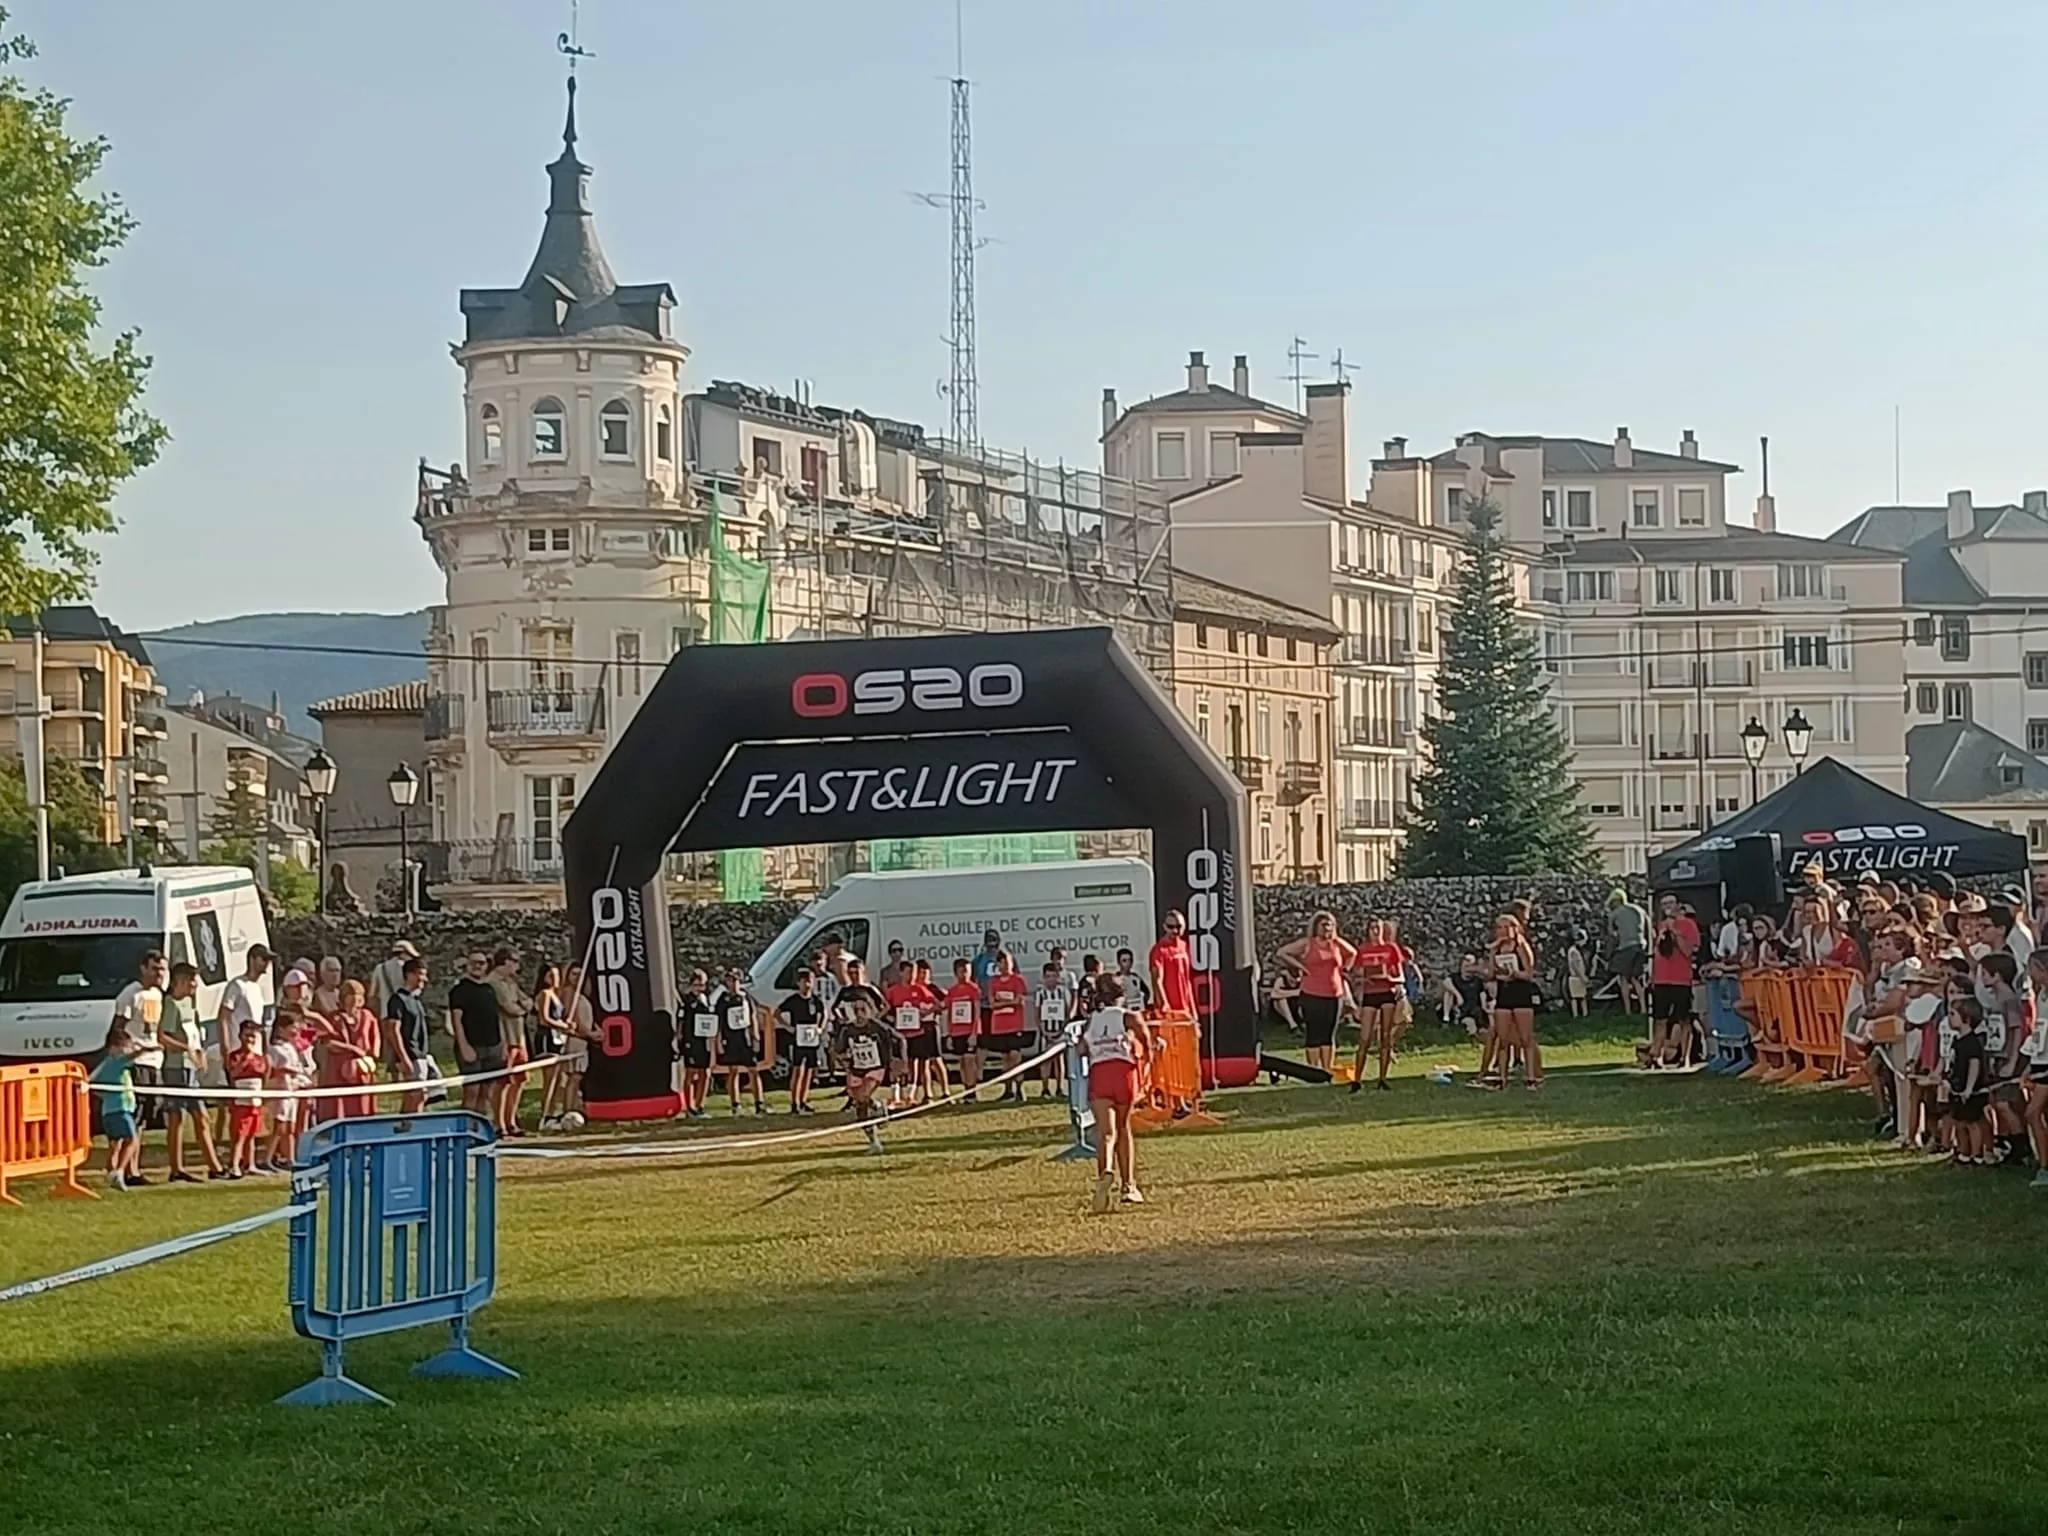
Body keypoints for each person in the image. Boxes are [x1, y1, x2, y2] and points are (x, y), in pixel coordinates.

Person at [1081, 975, 1147, 1213]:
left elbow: (1081, 1049)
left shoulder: (1092, 1020)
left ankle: (1105, 1172)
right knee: (1123, 1128)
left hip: (1100, 1075)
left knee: (1106, 1133)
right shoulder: (1128, 1016)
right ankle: (1129, 1185)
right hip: (1124, 1075)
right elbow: (1146, 1041)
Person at [158, 961, 224, 1182]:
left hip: (191, 1067)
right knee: (178, 1117)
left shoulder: (190, 1003)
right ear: (180, 981)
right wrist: (186, 1049)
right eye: (191, 979)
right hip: (176, 1067)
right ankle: (177, 1168)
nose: (195, 984)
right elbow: (163, 1036)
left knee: (200, 1116)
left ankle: (214, 1166)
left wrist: (200, 1053)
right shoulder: (170, 1004)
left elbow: (196, 1032)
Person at [1274, 911, 1353, 1076]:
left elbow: (1353, 953)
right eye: (1324, 925)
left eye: (1330, 925)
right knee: (1314, 1032)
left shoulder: (1336, 943)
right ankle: (1314, 1069)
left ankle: (1327, 1069)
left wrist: (1345, 969)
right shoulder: (1308, 943)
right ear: (1316, 926)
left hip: (1334, 993)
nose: (1327, 928)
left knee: (1329, 1032)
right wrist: (1300, 966)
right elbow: (1282, 952)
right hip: (1312, 993)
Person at [1480, 913, 1541, 1090]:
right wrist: (1492, 955)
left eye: (1508, 927)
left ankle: (1531, 1078)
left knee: (1525, 1038)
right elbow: (1490, 974)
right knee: (1503, 1039)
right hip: (1504, 994)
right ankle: (1502, 1078)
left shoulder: (1521, 946)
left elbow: (1529, 974)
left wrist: (1514, 974)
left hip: (1521, 994)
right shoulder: (1497, 949)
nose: (1504, 931)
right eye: (1500, 928)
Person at [1347, 919, 1409, 1093]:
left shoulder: (1391, 949)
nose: (1375, 931)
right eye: (1372, 928)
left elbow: (1400, 977)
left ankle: (1383, 1078)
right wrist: (1363, 979)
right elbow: (1356, 976)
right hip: (1369, 995)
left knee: (1385, 1037)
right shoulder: (1363, 950)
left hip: (1386, 993)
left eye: (1378, 928)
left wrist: (1387, 978)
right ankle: (1357, 1080)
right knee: (1364, 1038)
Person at [831, 990, 897, 1152]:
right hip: (856, 1070)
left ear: (870, 1011)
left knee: (862, 1095)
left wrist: (896, 1063)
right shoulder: (847, 1030)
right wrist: (844, 1062)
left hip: (875, 1068)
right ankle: (874, 1138)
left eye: (863, 1010)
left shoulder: (878, 1027)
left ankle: (875, 1105)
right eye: (856, 1011)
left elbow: (899, 1040)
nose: (859, 1014)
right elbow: (838, 1050)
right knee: (860, 1105)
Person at [112, 950, 167, 1135]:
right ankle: (122, 1162)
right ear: (143, 969)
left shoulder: (158, 995)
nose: (159, 973)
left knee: (147, 1116)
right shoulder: (130, 993)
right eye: (154, 969)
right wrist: (128, 1052)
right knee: (135, 1113)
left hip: (154, 1061)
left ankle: (133, 1163)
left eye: (162, 969)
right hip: (136, 1062)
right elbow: (118, 1027)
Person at [448, 951, 507, 1116]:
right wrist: (464, 1046)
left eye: (482, 963)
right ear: (467, 965)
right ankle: (466, 1130)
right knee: (471, 1091)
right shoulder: (459, 990)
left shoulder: (489, 989)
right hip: (472, 1046)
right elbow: (456, 1020)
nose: (478, 966)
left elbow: (497, 1018)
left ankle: (481, 1128)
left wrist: (503, 1044)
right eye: (474, 962)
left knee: (487, 1092)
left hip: (493, 1046)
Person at [1647, 892, 1701, 1068]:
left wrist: (1675, 932)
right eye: (1664, 904)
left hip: (1681, 979)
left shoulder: (1688, 925)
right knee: (1660, 1019)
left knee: (1683, 1020)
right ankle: (1657, 1055)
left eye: (1670, 903)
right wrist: (1652, 975)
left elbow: (1688, 951)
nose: (1667, 907)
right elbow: (1658, 952)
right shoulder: (1661, 925)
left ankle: (1684, 1056)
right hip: (1662, 979)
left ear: (1678, 905)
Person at [318, 979, 381, 1121]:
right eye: (351, 994)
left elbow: (375, 1036)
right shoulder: (335, 1018)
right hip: (338, 1068)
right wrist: (352, 1049)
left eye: (359, 994)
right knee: (339, 1104)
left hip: (362, 1068)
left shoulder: (367, 1016)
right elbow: (329, 1042)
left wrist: (373, 1053)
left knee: (362, 1104)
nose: (355, 998)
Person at [90, 1022, 144, 1189]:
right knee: (133, 1140)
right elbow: (134, 1055)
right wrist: (147, 1049)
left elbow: (91, 1082)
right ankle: (119, 1171)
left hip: (109, 1111)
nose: (126, 1050)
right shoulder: (116, 1062)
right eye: (124, 1047)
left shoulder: (104, 1065)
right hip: (120, 1110)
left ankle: (111, 1173)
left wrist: (106, 1096)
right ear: (114, 1047)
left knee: (116, 1144)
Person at [264, 1006, 316, 1172]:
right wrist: (286, 1071)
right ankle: (267, 1158)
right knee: (280, 1127)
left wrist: (304, 1081)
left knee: (291, 1128)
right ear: (280, 1029)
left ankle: (291, 1158)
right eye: (292, 1027)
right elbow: (270, 1070)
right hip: (281, 1090)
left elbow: (297, 1068)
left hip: (292, 1090)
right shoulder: (275, 1049)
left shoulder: (290, 1047)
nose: (296, 1030)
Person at [486, 948, 532, 1135]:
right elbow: (509, 1007)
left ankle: (511, 1120)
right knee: (503, 1081)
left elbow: (527, 1002)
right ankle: (499, 1124)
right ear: (505, 962)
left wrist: (522, 1007)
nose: (517, 966)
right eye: (515, 962)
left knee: (521, 1079)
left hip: (518, 1036)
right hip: (505, 1037)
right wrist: (521, 1008)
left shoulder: (511, 982)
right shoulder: (493, 983)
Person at [384, 955, 435, 1114]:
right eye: (420, 973)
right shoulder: (398, 999)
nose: (423, 979)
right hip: (410, 1054)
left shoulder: (417, 1000)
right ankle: (404, 1127)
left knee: (421, 1096)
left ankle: (413, 1127)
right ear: (410, 975)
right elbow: (393, 1030)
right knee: (415, 1095)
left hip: (421, 1054)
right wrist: (404, 1057)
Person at [712, 967, 764, 1115]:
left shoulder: (746, 996)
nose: (732, 984)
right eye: (729, 980)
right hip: (730, 1038)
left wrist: (755, 1037)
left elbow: (753, 1016)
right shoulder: (723, 999)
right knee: (733, 1071)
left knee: (753, 1070)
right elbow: (719, 1021)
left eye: (735, 980)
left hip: (745, 1037)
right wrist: (719, 1041)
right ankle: (735, 1104)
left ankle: (759, 1103)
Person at [1946, 996, 1991, 1166]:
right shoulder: (1957, 1040)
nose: (1949, 1018)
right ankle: (1963, 1152)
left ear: (1966, 1018)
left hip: (1971, 1090)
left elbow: (1974, 1065)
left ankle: (1976, 1154)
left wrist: (1969, 1088)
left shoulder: (1972, 1042)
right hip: (1958, 1087)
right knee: (1959, 1122)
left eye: (1952, 1014)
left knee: (1972, 1123)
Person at [778, 967, 827, 1115]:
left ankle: (803, 1100)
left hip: (811, 1038)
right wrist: (788, 1027)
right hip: (798, 1038)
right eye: (804, 981)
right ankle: (794, 1102)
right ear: (798, 983)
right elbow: (777, 1013)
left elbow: (824, 1014)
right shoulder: (793, 1000)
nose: (807, 984)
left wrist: (820, 1028)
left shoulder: (816, 1000)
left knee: (809, 1070)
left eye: (810, 981)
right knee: (798, 1069)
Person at [984, 949, 1032, 1100]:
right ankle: (1007, 1089)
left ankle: (1020, 1088)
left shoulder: (1018, 980)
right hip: (999, 1025)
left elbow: (1019, 1001)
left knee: (1015, 1056)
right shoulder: (993, 982)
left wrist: (1003, 1002)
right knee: (1004, 1059)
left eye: (1008, 962)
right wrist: (1008, 1002)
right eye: (1002, 962)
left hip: (1014, 1025)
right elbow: (992, 1004)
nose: (1005, 965)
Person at [224, 1022, 269, 1179]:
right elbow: (233, 1073)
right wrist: (245, 1060)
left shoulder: (260, 1058)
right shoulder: (235, 1056)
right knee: (239, 1135)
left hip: (255, 1100)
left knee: (252, 1134)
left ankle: (250, 1164)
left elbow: (264, 1073)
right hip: (241, 1101)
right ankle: (235, 1164)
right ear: (240, 1036)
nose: (250, 1039)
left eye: (252, 1036)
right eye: (247, 1035)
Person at [531, 963, 570, 1129]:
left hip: (557, 1037)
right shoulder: (545, 994)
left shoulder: (556, 995)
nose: (554, 979)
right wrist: (562, 1026)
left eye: (557, 976)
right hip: (547, 1037)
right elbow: (544, 1018)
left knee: (559, 1078)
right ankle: (545, 1114)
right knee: (550, 1079)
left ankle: (554, 1112)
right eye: (550, 976)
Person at [677, 968, 716, 1119]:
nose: (699, 988)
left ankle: (700, 1105)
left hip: (703, 1040)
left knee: (705, 1072)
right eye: (696, 985)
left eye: (702, 985)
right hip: (690, 1040)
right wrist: (680, 1038)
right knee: (690, 1073)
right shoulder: (686, 1000)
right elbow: (681, 1021)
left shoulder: (706, 1000)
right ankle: (689, 1106)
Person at [942, 957, 983, 1100]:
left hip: (969, 1031)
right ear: (956, 973)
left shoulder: (973, 989)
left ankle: (972, 1091)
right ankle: (965, 1089)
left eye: (967, 971)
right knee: (961, 1062)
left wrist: (974, 1032)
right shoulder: (952, 991)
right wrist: (949, 1034)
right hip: (957, 1031)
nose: (965, 974)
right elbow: (948, 1011)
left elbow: (977, 1012)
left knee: (970, 1060)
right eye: (962, 971)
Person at [1033, 961, 1073, 1100]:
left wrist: (1063, 1029)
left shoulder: (1063, 992)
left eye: (1053, 976)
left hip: (1060, 1030)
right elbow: (1037, 1013)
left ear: (1058, 977)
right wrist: (1044, 1031)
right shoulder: (1040, 993)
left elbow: (1068, 1012)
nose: (1051, 979)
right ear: (1044, 977)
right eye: (1048, 976)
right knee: (1045, 1060)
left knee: (1059, 1060)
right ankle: (1045, 1088)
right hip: (1046, 1031)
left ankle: (1060, 1088)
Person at [1608, 890, 1649, 1015]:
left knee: (1623, 978)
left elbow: (1611, 932)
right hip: (1640, 945)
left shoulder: (1614, 914)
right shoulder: (1639, 909)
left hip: (1625, 947)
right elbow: (1648, 927)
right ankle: (1643, 1008)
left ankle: (1628, 1010)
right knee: (1636, 978)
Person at [1149, 912, 1194, 1018]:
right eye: (1170, 927)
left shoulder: (1184, 946)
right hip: (1169, 1011)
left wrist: (1193, 1010)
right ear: (1164, 926)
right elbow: (1157, 980)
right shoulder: (1159, 950)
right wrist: (1164, 1003)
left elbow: (1187, 980)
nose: (1175, 931)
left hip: (1185, 1008)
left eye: (1178, 926)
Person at [370, 939, 419, 1020]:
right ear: (406, 953)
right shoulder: (408, 970)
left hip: (386, 1014)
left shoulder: (380, 968)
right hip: (407, 1012)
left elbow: (373, 994)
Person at [1112, 948, 1152, 1015]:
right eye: (1124, 960)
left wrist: (1142, 999)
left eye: (1130, 960)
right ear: (1119, 962)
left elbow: (1146, 993)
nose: (1128, 963)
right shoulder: (1115, 978)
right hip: (1123, 1012)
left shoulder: (1136, 977)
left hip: (1137, 1009)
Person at [1564, 929, 1590, 1019]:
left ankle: (1576, 1014)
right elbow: (1576, 965)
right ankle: (1584, 1013)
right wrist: (1582, 977)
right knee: (1582, 997)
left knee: (1575, 997)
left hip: (1574, 977)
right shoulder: (1574, 952)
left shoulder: (1571, 950)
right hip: (1577, 977)